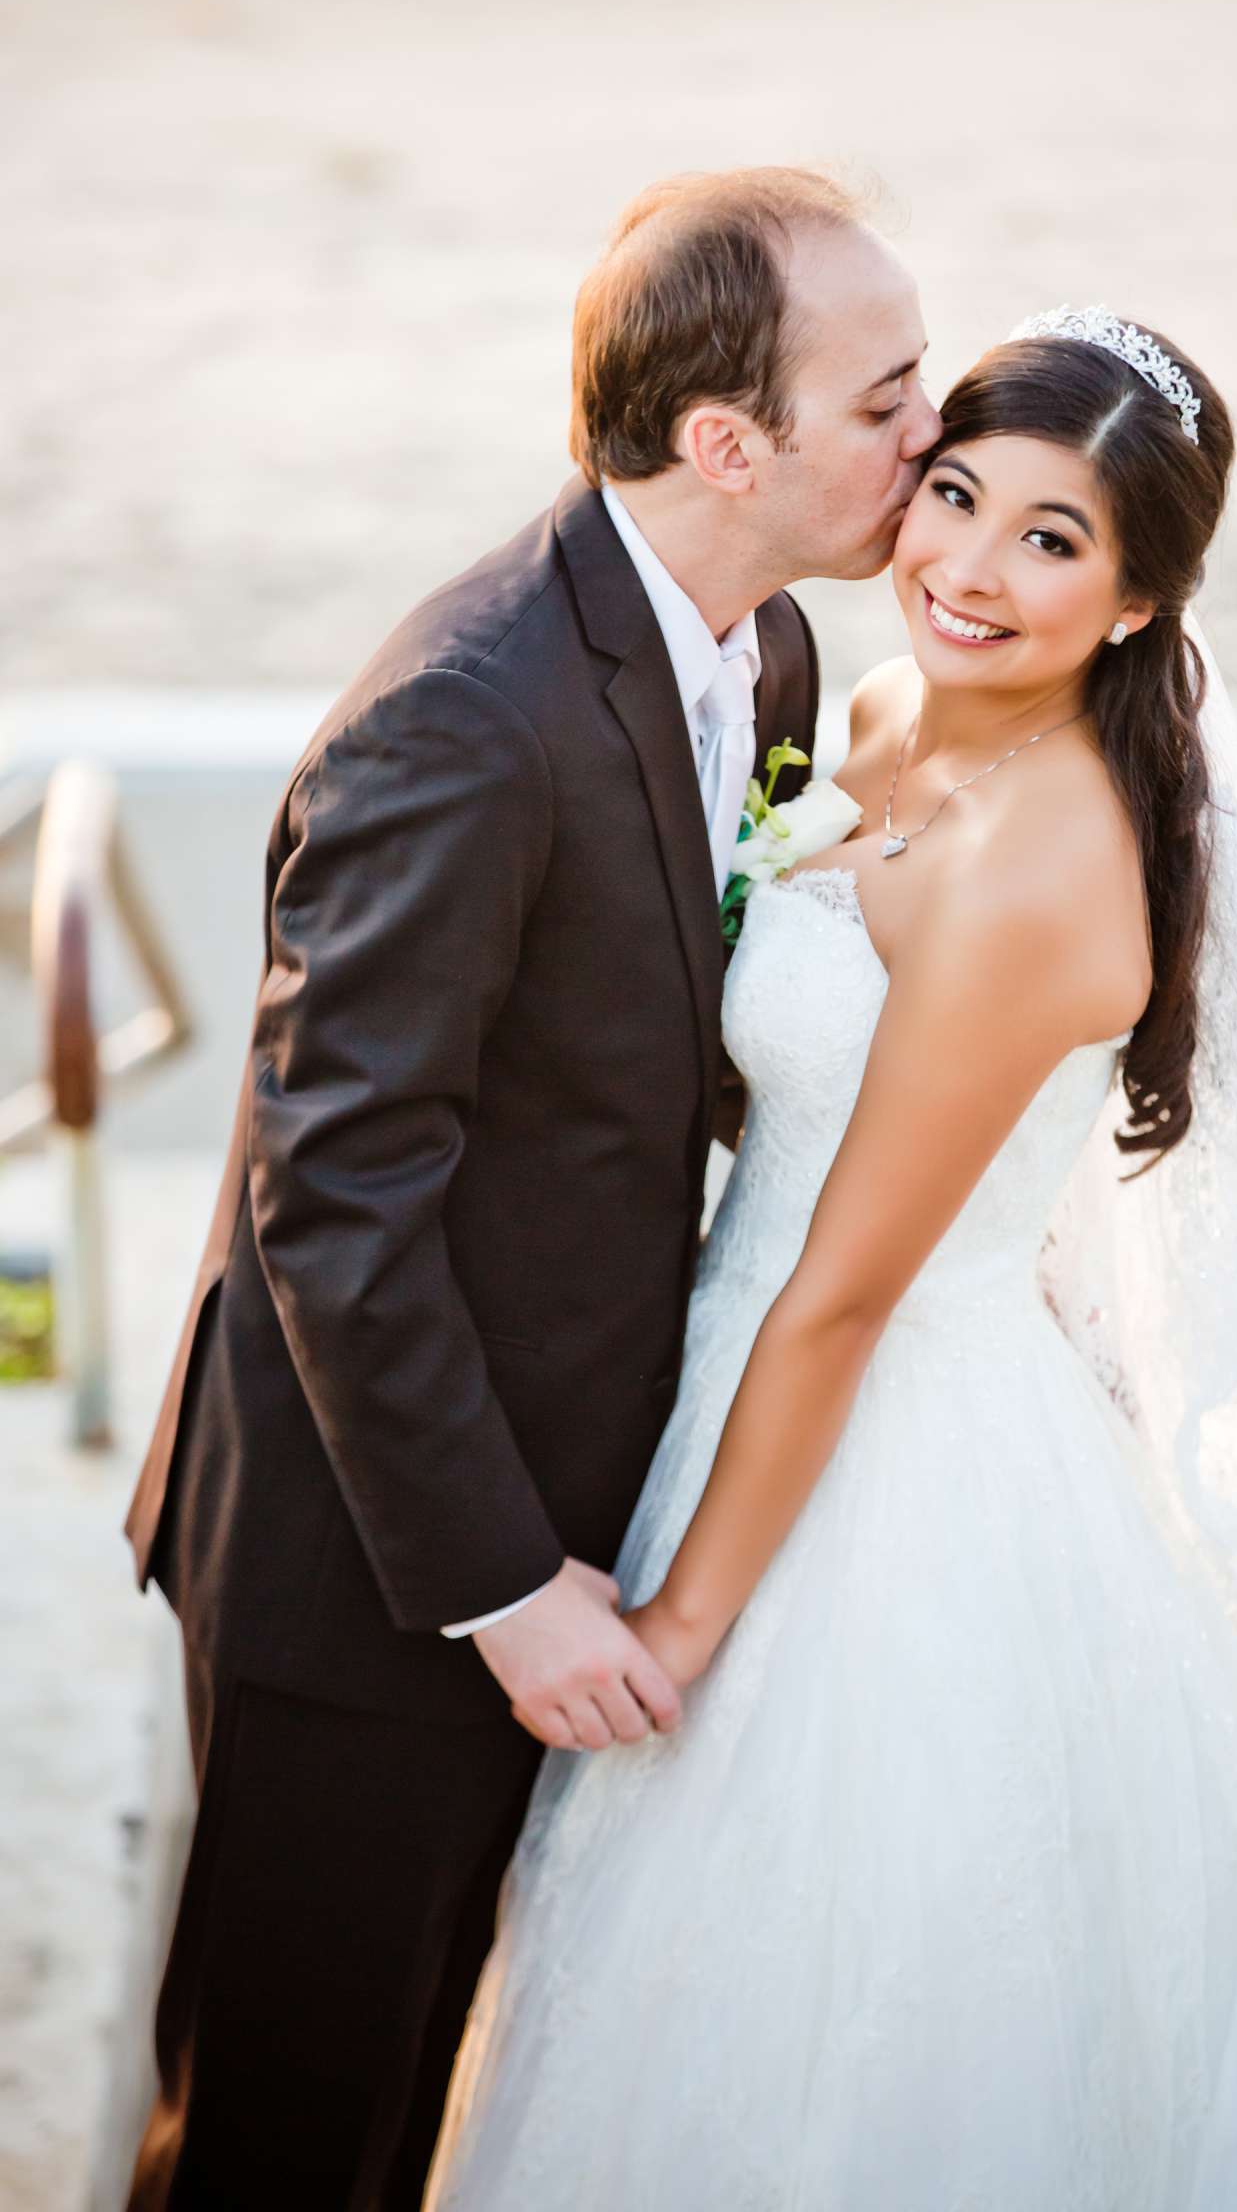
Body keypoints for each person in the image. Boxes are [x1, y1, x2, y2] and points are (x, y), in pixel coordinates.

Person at [422, 308, 1237, 2209]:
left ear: (1135, 609)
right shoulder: (871, 725)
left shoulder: (1037, 865)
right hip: (747, 1364)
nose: (967, 567)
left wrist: (683, 1627)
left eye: (1054, 539)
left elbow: (851, 1288)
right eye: (956, 495)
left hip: (879, 1434)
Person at [120, 164, 939, 2209]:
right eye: (886, 400)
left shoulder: (754, 660)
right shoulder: (460, 721)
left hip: (575, 1479)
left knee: (438, 2085)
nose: (928, 439)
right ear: (723, 442)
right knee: (292, 2127)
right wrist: (501, 1587)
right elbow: (338, 1197)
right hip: (370, 1555)